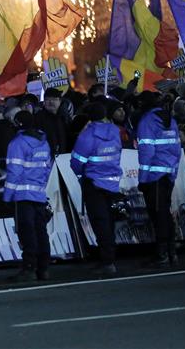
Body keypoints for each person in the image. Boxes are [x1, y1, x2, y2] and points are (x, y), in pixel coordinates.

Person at [71, 102, 122, 274]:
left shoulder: (87, 136)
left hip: (94, 183)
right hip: (112, 182)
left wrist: (81, 175)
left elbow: (77, 162)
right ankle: (110, 258)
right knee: (109, 222)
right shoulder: (115, 132)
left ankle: (107, 262)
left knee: (100, 224)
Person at [4, 111, 52, 281]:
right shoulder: (44, 142)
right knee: (40, 230)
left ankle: (29, 267)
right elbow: (47, 168)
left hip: (22, 195)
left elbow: (14, 172)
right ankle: (43, 267)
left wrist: (7, 196)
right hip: (38, 194)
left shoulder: (17, 144)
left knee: (27, 231)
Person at [136, 100, 182, 267]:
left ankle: (162, 254)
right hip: (168, 174)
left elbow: (146, 152)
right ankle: (171, 252)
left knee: (158, 215)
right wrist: (174, 172)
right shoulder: (171, 121)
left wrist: (142, 179)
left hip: (154, 176)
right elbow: (177, 149)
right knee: (164, 213)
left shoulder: (147, 121)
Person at [35, 88, 67, 156]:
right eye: (48, 99)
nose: (51, 102)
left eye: (54, 99)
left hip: (63, 157)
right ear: (44, 101)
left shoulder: (64, 117)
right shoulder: (38, 118)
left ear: (60, 101)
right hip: (46, 158)